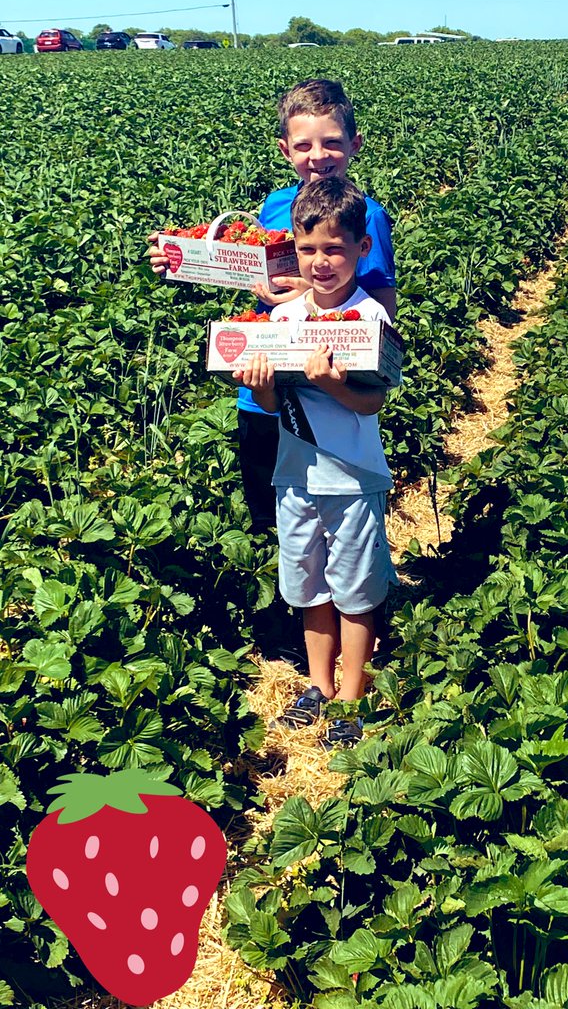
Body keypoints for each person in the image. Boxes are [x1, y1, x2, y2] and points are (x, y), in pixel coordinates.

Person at [147, 78, 397, 537]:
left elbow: (381, 307)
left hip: (323, 389)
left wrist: (309, 292)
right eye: (304, 145)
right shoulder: (277, 204)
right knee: (272, 515)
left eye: (332, 143)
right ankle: (292, 603)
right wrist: (183, 258)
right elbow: (248, 266)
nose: (318, 156)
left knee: (328, 516)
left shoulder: (367, 216)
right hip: (261, 380)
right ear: (286, 150)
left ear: (355, 145)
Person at [235, 176, 398, 748]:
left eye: (334, 248)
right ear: (292, 250)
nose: (321, 262)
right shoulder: (279, 323)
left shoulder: (369, 319)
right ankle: (317, 685)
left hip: (352, 476)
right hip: (295, 474)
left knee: (354, 588)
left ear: (362, 248)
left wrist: (335, 385)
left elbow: (373, 400)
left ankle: (351, 697)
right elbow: (275, 402)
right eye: (308, 250)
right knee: (308, 585)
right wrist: (261, 387)